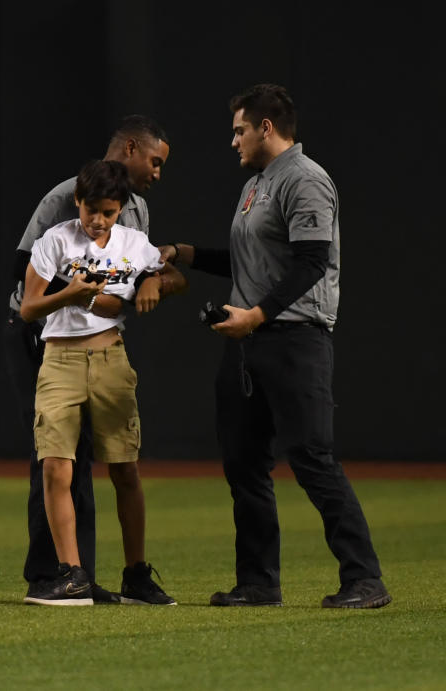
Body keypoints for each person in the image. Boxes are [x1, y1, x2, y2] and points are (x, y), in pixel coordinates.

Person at [161, 83, 391, 609]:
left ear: (267, 127)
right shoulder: (257, 184)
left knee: (311, 458)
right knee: (244, 465)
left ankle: (365, 578)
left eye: (239, 129)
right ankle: (259, 583)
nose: (234, 140)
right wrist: (184, 253)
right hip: (248, 341)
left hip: (293, 339)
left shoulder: (306, 180)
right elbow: (248, 262)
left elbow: (312, 262)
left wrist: (259, 314)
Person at [5, 115, 179, 604]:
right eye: (155, 160)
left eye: (109, 211)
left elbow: (151, 269)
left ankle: (100, 573)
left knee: (115, 465)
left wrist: (149, 281)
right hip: (43, 338)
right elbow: (23, 273)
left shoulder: (136, 213)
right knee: (57, 461)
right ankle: (56, 571)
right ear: (129, 148)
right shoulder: (65, 201)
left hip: (106, 349)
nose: (158, 171)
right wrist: (86, 299)